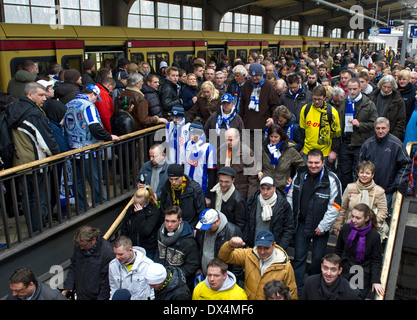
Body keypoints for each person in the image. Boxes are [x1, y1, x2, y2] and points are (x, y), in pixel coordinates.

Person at [287, 148, 342, 296]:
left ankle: (313, 290)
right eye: (310, 162)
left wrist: (323, 226)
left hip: (321, 228)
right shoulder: (300, 174)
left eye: (317, 163)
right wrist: (292, 219)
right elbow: (290, 196)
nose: (313, 165)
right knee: (299, 258)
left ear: (323, 162)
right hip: (301, 224)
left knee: (318, 260)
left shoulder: (331, 179)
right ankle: (297, 291)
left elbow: (335, 206)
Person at [7, 82, 60, 232]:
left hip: (20, 162)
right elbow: (46, 142)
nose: (44, 98)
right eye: (41, 95)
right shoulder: (34, 114)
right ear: (30, 95)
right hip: (37, 162)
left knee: (28, 197)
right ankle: (39, 228)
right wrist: (58, 155)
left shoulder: (14, 109)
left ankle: (33, 227)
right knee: (40, 197)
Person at [64, 84, 120, 211]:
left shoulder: (69, 104)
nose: (96, 101)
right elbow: (94, 126)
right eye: (96, 98)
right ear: (92, 94)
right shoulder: (88, 105)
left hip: (73, 148)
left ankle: (81, 205)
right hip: (89, 149)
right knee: (95, 177)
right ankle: (101, 202)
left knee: (78, 179)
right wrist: (108, 136)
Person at [218, 230, 298, 300]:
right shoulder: (249, 255)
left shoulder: (285, 266)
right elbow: (224, 257)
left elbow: (292, 293)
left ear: (274, 245)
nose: (262, 252)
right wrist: (230, 245)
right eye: (259, 248)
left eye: (266, 248)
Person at [359, 117, 412, 215]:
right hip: (368, 189)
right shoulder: (367, 144)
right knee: (365, 216)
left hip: (386, 190)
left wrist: (397, 183)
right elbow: (359, 166)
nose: (380, 131)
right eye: (378, 128)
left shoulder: (396, 144)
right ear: (374, 128)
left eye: (383, 128)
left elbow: (406, 164)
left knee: (380, 219)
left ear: (388, 128)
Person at [334, 203, 385, 299]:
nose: (353, 220)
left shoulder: (374, 236)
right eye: (352, 216)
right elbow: (338, 250)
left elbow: (376, 260)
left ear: (366, 219)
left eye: (358, 218)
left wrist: (375, 280)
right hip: (345, 269)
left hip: (362, 273)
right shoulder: (346, 228)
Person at [337, 77, 378, 190]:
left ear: (360, 88)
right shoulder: (343, 102)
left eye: (355, 89)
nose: (352, 91)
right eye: (350, 89)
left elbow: (374, 124)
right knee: (344, 173)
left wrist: (360, 124)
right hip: (345, 143)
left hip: (360, 144)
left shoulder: (368, 104)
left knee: (359, 173)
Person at [333, 160, 388, 241]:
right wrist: (338, 225)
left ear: (372, 175)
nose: (364, 175)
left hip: (369, 230)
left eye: (367, 173)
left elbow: (383, 212)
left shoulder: (379, 191)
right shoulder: (350, 188)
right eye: (361, 172)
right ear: (358, 174)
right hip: (350, 227)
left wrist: (372, 223)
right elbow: (342, 208)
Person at [154, 205, 200, 289]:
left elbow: (193, 264)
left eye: (173, 221)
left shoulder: (188, 241)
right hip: (161, 279)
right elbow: (158, 251)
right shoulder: (160, 233)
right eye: (167, 221)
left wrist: (174, 275)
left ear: (180, 221)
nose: (169, 225)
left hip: (179, 283)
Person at [63, 225, 114, 300]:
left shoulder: (107, 253)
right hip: (81, 293)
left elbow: (106, 283)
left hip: (95, 296)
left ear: (93, 240)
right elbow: (74, 265)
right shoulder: (79, 247)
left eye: (84, 245)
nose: (81, 248)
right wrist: (69, 283)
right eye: (79, 245)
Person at [246, 176, 294, 250]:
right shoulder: (252, 202)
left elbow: (288, 228)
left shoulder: (283, 205)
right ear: (259, 188)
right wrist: (246, 243)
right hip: (254, 246)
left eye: (268, 189)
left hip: (274, 248)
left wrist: (280, 248)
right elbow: (247, 223)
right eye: (263, 189)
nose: (265, 192)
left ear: (274, 188)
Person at [239, 63, 280, 146]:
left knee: (259, 154)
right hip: (247, 127)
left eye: (257, 75)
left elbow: (276, 105)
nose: (254, 78)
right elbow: (242, 106)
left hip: (262, 127)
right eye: (252, 76)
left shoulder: (268, 87)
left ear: (262, 74)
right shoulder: (246, 85)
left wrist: (273, 118)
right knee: (247, 153)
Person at [195, 208, 243, 279]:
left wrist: (233, 277)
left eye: (210, 228)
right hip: (204, 274)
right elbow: (198, 249)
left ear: (217, 221)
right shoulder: (202, 229)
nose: (207, 231)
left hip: (223, 278)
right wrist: (198, 268)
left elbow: (238, 260)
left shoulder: (232, 231)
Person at [299, 85, 341, 165]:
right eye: (314, 99)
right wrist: (302, 147)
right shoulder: (305, 109)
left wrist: (334, 151)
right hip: (308, 150)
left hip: (324, 152)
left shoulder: (332, 111)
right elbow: (302, 130)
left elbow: (336, 134)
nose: (317, 102)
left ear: (325, 98)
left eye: (319, 99)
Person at [258, 124, 304, 194]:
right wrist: (259, 171)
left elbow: (301, 164)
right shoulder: (264, 148)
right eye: (271, 136)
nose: (273, 139)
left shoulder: (289, 150)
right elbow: (257, 161)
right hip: (266, 187)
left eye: (276, 137)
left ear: (281, 137)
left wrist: (295, 179)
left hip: (282, 188)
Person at [159, 163, 206, 228]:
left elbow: (201, 212)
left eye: (176, 179)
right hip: (170, 226)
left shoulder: (194, 189)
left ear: (182, 176)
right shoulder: (166, 188)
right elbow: (162, 210)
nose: (173, 182)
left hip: (189, 227)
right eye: (171, 179)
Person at [217, 128, 258, 199]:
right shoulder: (221, 150)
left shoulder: (247, 153)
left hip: (240, 193)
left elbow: (252, 179)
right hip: (223, 191)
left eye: (231, 140)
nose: (228, 142)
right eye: (226, 140)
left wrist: (250, 199)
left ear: (238, 138)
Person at [109, 236, 154, 300]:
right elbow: (113, 289)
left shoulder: (147, 265)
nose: (117, 257)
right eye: (115, 254)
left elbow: (153, 292)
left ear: (130, 250)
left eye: (120, 254)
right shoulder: (113, 265)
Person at [121, 186, 161, 259]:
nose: (136, 206)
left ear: (147, 201)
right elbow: (125, 227)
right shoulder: (131, 209)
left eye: (140, 204)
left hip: (148, 250)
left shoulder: (154, 211)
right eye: (135, 203)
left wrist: (140, 214)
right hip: (133, 247)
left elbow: (145, 231)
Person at [183, 121, 217, 201]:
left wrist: (208, 196)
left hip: (201, 189)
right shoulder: (186, 145)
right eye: (191, 133)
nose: (193, 136)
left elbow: (212, 174)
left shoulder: (209, 148)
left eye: (195, 134)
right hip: (186, 187)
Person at [209, 166, 247, 233]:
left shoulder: (238, 199)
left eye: (226, 182)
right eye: (221, 181)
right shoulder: (214, 191)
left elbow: (241, 224)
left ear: (233, 180)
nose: (223, 184)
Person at [369, 75, 406, 141]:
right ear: (381, 86)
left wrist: (393, 137)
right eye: (384, 87)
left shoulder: (398, 101)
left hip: (390, 135)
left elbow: (401, 121)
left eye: (389, 87)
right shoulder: (373, 97)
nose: (386, 90)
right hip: (372, 133)